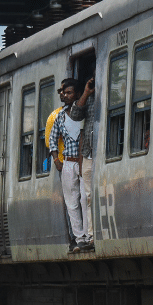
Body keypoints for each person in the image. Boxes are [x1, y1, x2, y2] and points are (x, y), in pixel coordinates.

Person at [50, 77, 95, 253]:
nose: (65, 95)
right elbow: (53, 140)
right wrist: (56, 161)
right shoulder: (60, 116)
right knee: (72, 202)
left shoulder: (83, 110)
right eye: (64, 93)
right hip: (68, 162)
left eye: (69, 92)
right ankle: (80, 238)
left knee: (85, 198)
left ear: (76, 93)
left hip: (83, 159)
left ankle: (89, 235)